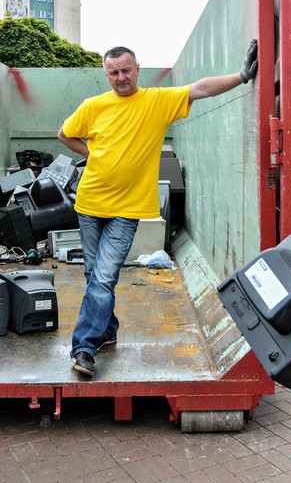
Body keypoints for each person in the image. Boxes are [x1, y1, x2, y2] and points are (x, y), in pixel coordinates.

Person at [58, 41, 259, 376]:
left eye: (126, 70)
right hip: (90, 203)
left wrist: (240, 76)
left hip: (128, 208)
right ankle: (107, 330)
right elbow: (64, 133)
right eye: (114, 72)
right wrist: (93, 154)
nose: (121, 77)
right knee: (94, 275)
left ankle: (84, 348)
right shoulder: (93, 106)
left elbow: (199, 88)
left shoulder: (156, 101)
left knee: (105, 276)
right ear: (106, 74)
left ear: (138, 70)